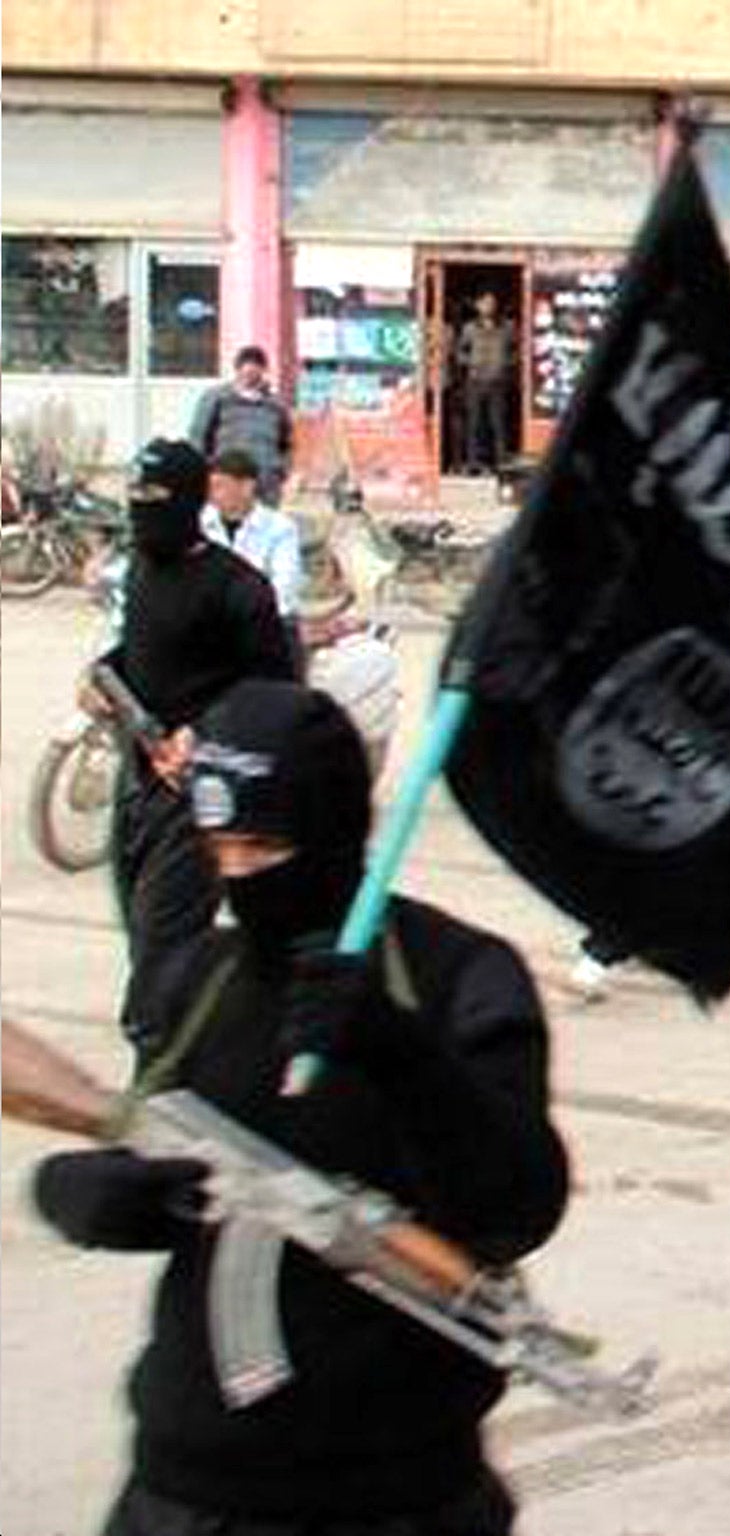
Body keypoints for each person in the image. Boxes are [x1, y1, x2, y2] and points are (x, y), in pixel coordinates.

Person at [32, 678, 570, 1536]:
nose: (240, 874)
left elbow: (516, 1209)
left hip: (393, 1492)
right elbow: (159, 1143)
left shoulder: (457, 976)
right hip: (185, 1479)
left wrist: (403, 1055)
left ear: (332, 829)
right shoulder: (196, 977)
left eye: (265, 846)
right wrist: (94, 1192)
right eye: (222, 848)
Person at [88, 439, 297, 1050]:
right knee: (146, 947)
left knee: (161, 978)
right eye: (134, 501)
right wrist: (100, 677)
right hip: (137, 792)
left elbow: (278, 698)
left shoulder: (240, 590)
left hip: (198, 803)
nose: (141, 515)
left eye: (154, 501)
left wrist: (202, 734)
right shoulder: (143, 570)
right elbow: (139, 657)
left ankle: (157, 1096)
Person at [201, 447, 304, 636]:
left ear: (247, 486)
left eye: (220, 486)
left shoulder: (279, 529)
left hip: (265, 626)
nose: (212, 495)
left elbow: (285, 587)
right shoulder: (200, 526)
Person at [189, 346, 293, 506]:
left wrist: (281, 471)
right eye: (245, 372)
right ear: (237, 370)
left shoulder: (275, 406)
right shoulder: (217, 399)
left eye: (255, 372)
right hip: (228, 476)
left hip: (265, 483)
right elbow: (198, 436)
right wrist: (204, 470)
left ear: (263, 371)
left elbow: (286, 442)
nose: (249, 377)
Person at [455, 292, 517, 475]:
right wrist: (472, 362)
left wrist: (505, 364)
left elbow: (516, 351)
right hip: (475, 381)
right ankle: (474, 463)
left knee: (498, 424)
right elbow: (459, 352)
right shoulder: (470, 329)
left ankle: (501, 464)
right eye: (484, 303)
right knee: (474, 423)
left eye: (491, 303)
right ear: (477, 305)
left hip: (497, 382)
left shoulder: (506, 328)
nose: (488, 306)